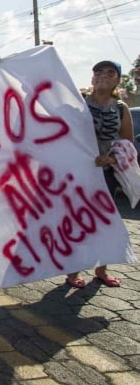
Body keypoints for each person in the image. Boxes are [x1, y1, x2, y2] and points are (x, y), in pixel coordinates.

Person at [66, 60, 131, 289]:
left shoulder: (120, 107)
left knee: (106, 223)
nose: (104, 75)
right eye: (99, 72)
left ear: (117, 79)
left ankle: (101, 270)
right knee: (80, 222)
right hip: (80, 174)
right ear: (92, 77)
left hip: (107, 175)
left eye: (110, 72)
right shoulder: (79, 102)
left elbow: (127, 143)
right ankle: (73, 272)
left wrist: (111, 158)